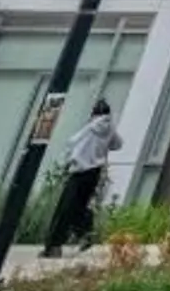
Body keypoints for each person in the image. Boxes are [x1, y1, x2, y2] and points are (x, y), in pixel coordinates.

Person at [43, 100, 123, 254]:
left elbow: (72, 143)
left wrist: (68, 162)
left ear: (94, 113)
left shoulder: (90, 128)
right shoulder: (110, 128)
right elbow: (118, 145)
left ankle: (53, 246)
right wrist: (102, 147)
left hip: (80, 171)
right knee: (79, 206)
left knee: (65, 208)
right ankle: (85, 233)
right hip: (95, 173)